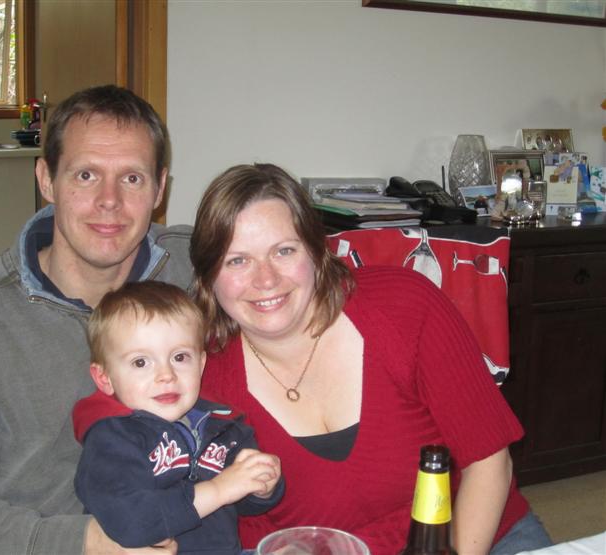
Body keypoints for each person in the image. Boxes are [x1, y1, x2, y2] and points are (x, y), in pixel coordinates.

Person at [190, 163, 553, 555]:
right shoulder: (203, 381)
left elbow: (488, 462)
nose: (265, 280)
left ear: (315, 251)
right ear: (209, 276)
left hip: (474, 537)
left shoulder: (404, 307)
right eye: (237, 260)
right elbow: (235, 526)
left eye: (283, 250)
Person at [0, 85, 193, 555]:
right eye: (87, 175)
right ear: (47, 180)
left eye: (132, 179)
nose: (109, 201)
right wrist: (84, 542)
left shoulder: (196, 266)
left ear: (160, 187)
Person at [73, 281, 284, 554]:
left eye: (180, 357)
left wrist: (261, 487)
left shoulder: (224, 425)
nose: (166, 375)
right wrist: (220, 489)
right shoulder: (111, 439)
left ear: (202, 363)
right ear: (105, 378)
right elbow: (131, 522)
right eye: (141, 362)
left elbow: (242, 502)